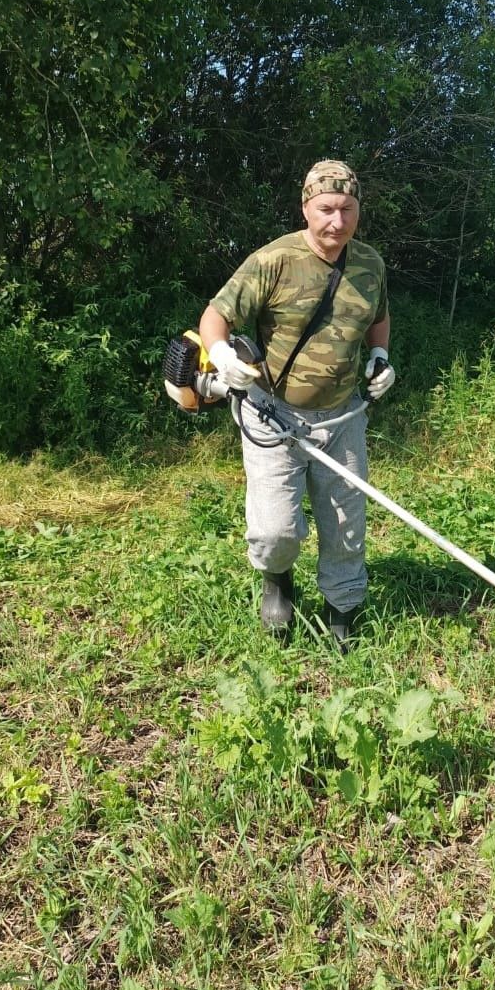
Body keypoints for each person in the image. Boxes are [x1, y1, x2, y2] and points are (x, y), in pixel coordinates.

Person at [198, 159, 395, 648]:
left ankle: (343, 610)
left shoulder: (369, 264)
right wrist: (222, 356)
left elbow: (379, 318)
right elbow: (214, 318)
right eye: (326, 208)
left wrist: (379, 357)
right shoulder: (273, 261)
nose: (337, 221)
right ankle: (278, 582)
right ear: (306, 206)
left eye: (347, 209)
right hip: (272, 415)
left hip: (343, 416)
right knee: (274, 529)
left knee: (346, 524)